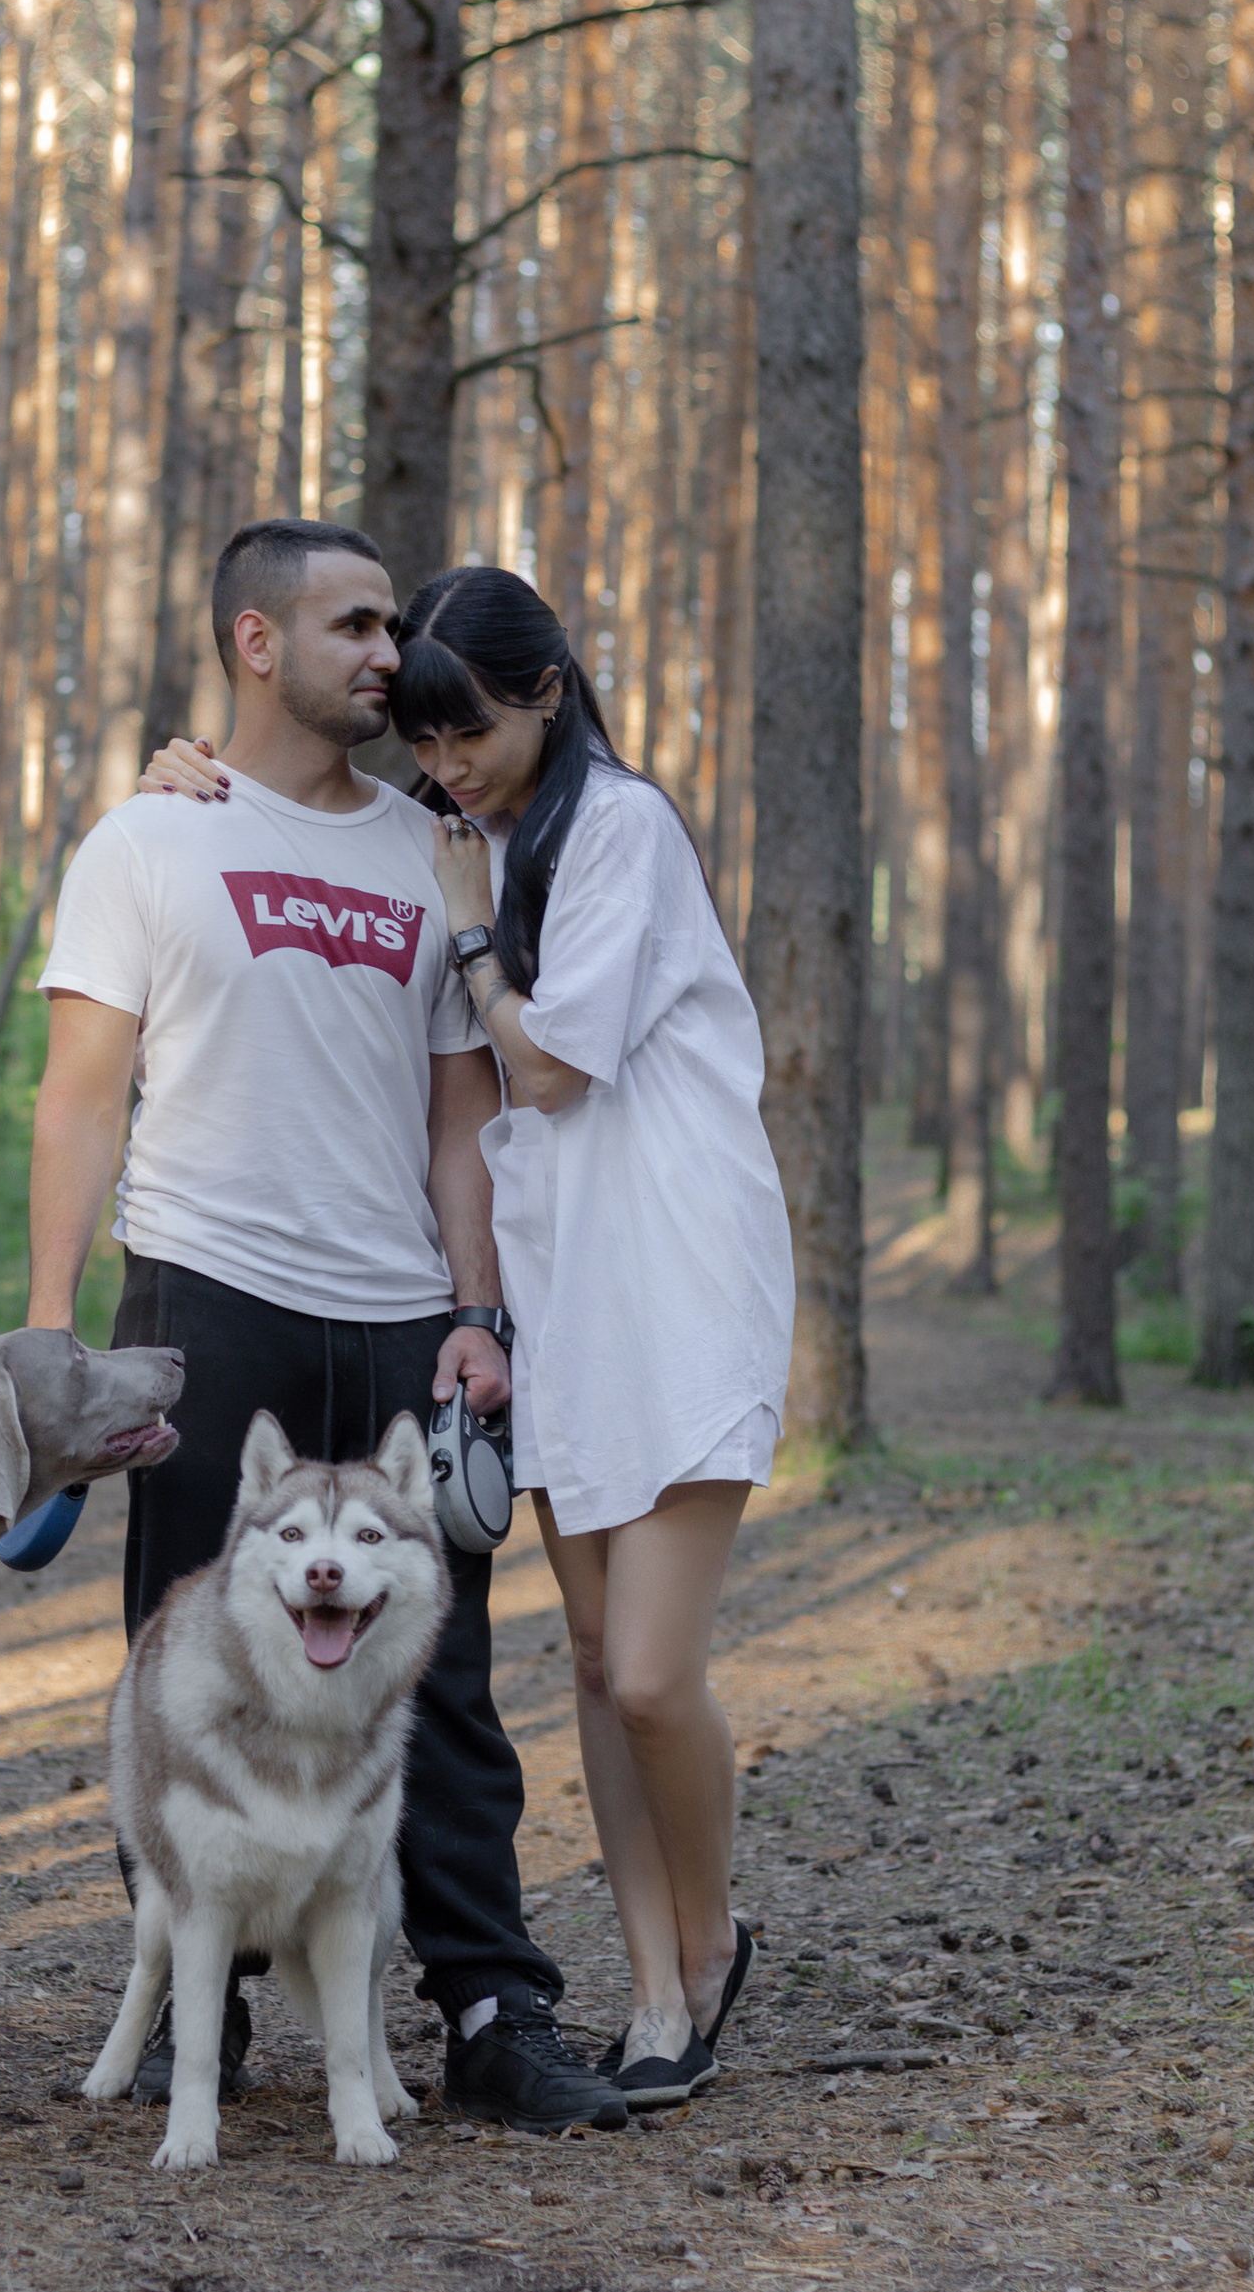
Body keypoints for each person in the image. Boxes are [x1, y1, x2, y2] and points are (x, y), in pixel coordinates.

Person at [144, 563, 794, 2112]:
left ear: (553, 691)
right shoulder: (474, 836)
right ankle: (648, 1986)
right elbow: (310, 813)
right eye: (427, 740)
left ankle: (710, 1942)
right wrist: (187, 772)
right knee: (582, 1659)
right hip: (562, 1298)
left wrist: (473, 937)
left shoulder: (617, 829)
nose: (447, 764)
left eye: (474, 732)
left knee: (648, 1675)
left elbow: (555, 1065)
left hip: (683, 1284)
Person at [25, 520, 630, 2134]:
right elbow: (81, 1100)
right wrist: (49, 1335)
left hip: (397, 1320)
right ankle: (185, 1997)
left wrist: (476, 1310)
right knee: (190, 1670)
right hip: (204, 1296)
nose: (387, 652)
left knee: (440, 1681)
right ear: (253, 641)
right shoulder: (145, 846)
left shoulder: (436, 854)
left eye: (392, 627)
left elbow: (460, 1120)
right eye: (354, 625)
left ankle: (494, 2007)